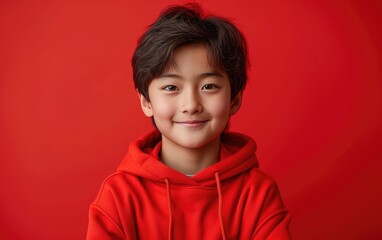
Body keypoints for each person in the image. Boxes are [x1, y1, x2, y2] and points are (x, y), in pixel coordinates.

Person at [86, 3, 291, 240]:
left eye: (209, 86)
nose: (191, 104)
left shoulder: (258, 194)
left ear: (234, 99)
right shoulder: (118, 196)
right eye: (171, 87)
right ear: (146, 102)